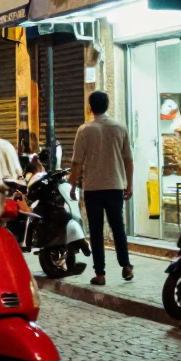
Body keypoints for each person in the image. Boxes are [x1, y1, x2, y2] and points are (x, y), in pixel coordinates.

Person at [69, 90, 134, 286]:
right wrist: (129, 184)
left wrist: (72, 185)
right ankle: (127, 266)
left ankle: (100, 274)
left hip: (93, 188)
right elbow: (128, 160)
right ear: (107, 105)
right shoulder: (120, 127)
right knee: (118, 228)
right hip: (115, 185)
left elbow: (77, 163)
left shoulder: (85, 130)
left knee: (96, 231)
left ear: (90, 107)